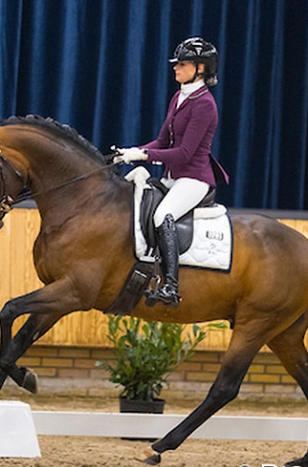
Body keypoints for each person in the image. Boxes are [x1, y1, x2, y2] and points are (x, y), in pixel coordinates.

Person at [114, 36, 229, 307]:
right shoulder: (179, 96)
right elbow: (163, 142)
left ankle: (171, 286)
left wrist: (143, 155)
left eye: (183, 64)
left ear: (200, 69)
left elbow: (185, 153)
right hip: (173, 177)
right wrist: (132, 151)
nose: (175, 68)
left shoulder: (205, 105)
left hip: (194, 179)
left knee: (162, 216)